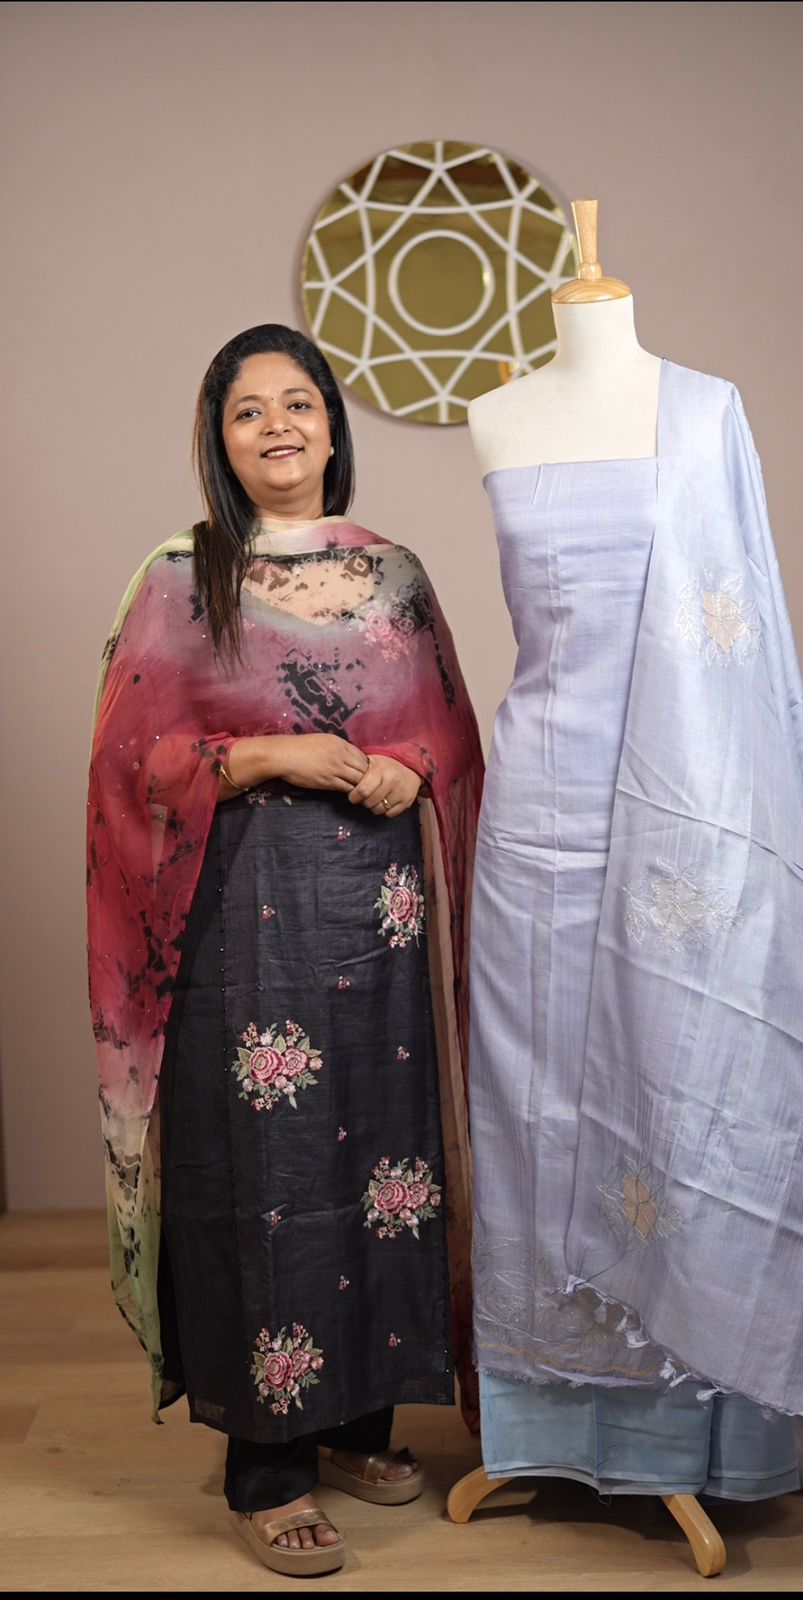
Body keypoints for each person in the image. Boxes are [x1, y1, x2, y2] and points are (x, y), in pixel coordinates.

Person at [87, 324, 483, 1576]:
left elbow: (452, 734)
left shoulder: (395, 572)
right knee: (260, 1174)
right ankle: (267, 1463)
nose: (277, 426)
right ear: (219, 437)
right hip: (241, 914)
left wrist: (405, 763)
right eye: (248, 409)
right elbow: (130, 763)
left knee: (381, 1159)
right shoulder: (181, 578)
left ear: (332, 425)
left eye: (298, 402)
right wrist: (265, 754)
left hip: (380, 920)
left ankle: (359, 1421)